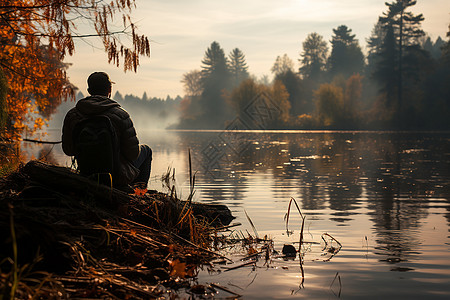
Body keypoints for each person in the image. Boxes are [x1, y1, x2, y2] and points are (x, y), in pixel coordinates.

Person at [62, 71, 152, 190]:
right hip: (116, 177)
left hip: (87, 174)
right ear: (109, 89)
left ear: (89, 90)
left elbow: (68, 150)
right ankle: (138, 193)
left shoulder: (72, 115)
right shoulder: (121, 115)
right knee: (147, 151)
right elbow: (133, 154)